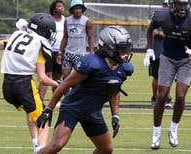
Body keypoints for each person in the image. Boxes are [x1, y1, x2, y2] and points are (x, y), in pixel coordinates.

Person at [35, 26, 133, 154]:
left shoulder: (124, 68)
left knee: (106, 149)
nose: (125, 53)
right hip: (73, 108)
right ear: (108, 48)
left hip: (93, 112)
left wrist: (115, 115)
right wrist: (48, 110)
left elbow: (115, 89)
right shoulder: (92, 64)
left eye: (126, 48)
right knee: (56, 145)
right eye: (121, 49)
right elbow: (64, 85)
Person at [145, 0, 191, 149]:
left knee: (180, 96)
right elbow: (149, 30)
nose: (183, 7)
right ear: (173, 4)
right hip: (167, 58)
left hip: (186, 60)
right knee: (161, 96)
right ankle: (156, 133)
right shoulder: (163, 16)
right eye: (179, 4)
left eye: (185, 4)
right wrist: (150, 49)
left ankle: (173, 129)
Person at [0, 13, 59, 153]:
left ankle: (36, 146)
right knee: (44, 120)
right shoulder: (39, 43)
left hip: (7, 85)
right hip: (24, 85)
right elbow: (42, 78)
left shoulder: (17, 34)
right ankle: (40, 149)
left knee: (33, 114)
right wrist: (60, 84)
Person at [144, 0, 172, 109]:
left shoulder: (174, 19)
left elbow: (170, 34)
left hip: (169, 52)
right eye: (165, 6)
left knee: (168, 78)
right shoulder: (157, 17)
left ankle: (167, 98)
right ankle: (155, 97)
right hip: (156, 52)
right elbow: (152, 31)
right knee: (156, 77)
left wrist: (161, 33)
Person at [59, 0, 94, 85]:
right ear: (72, 9)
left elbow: (90, 38)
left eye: (80, 8)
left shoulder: (87, 21)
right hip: (68, 53)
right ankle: (66, 98)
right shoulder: (67, 20)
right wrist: (60, 52)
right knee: (65, 78)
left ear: (82, 9)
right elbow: (65, 37)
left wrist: (91, 53)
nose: (78, 10)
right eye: (76, 8)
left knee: (78, 79)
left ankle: (76, 97)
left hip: (80, 54)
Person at [38, 0, 66, 100]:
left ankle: (55, 100)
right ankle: (40, 99)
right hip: (48, 51)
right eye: (59, 6)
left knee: (57, 77)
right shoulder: (48, 20)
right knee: (46, 75)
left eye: (63, 6)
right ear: (54, 9)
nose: (62, 8)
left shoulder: (65, 20)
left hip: (60, 52)